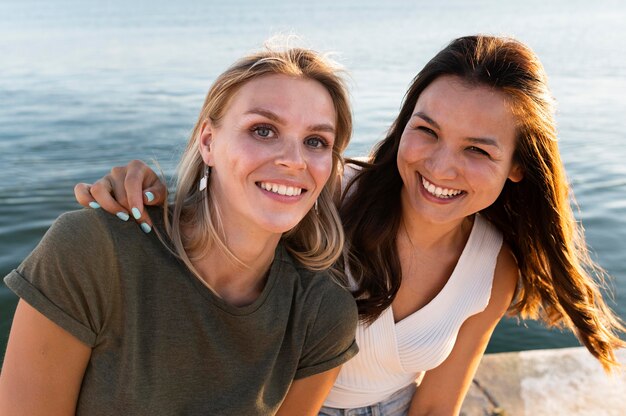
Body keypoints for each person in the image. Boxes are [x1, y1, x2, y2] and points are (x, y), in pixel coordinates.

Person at [73, 35, 625, 415]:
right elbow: (224, 217)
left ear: (518, 168)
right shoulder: (328, 194)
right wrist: (145, 187)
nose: (440, 166)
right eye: (426, 130)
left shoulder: (493, 264)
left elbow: (436, 404)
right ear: (402, 124)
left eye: (478, 150)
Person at [0, 44, 360, 416]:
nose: (293, 160)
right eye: (263, 130)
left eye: (316, 141)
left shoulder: (321, 312)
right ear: (208, 142)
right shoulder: (92, 250)